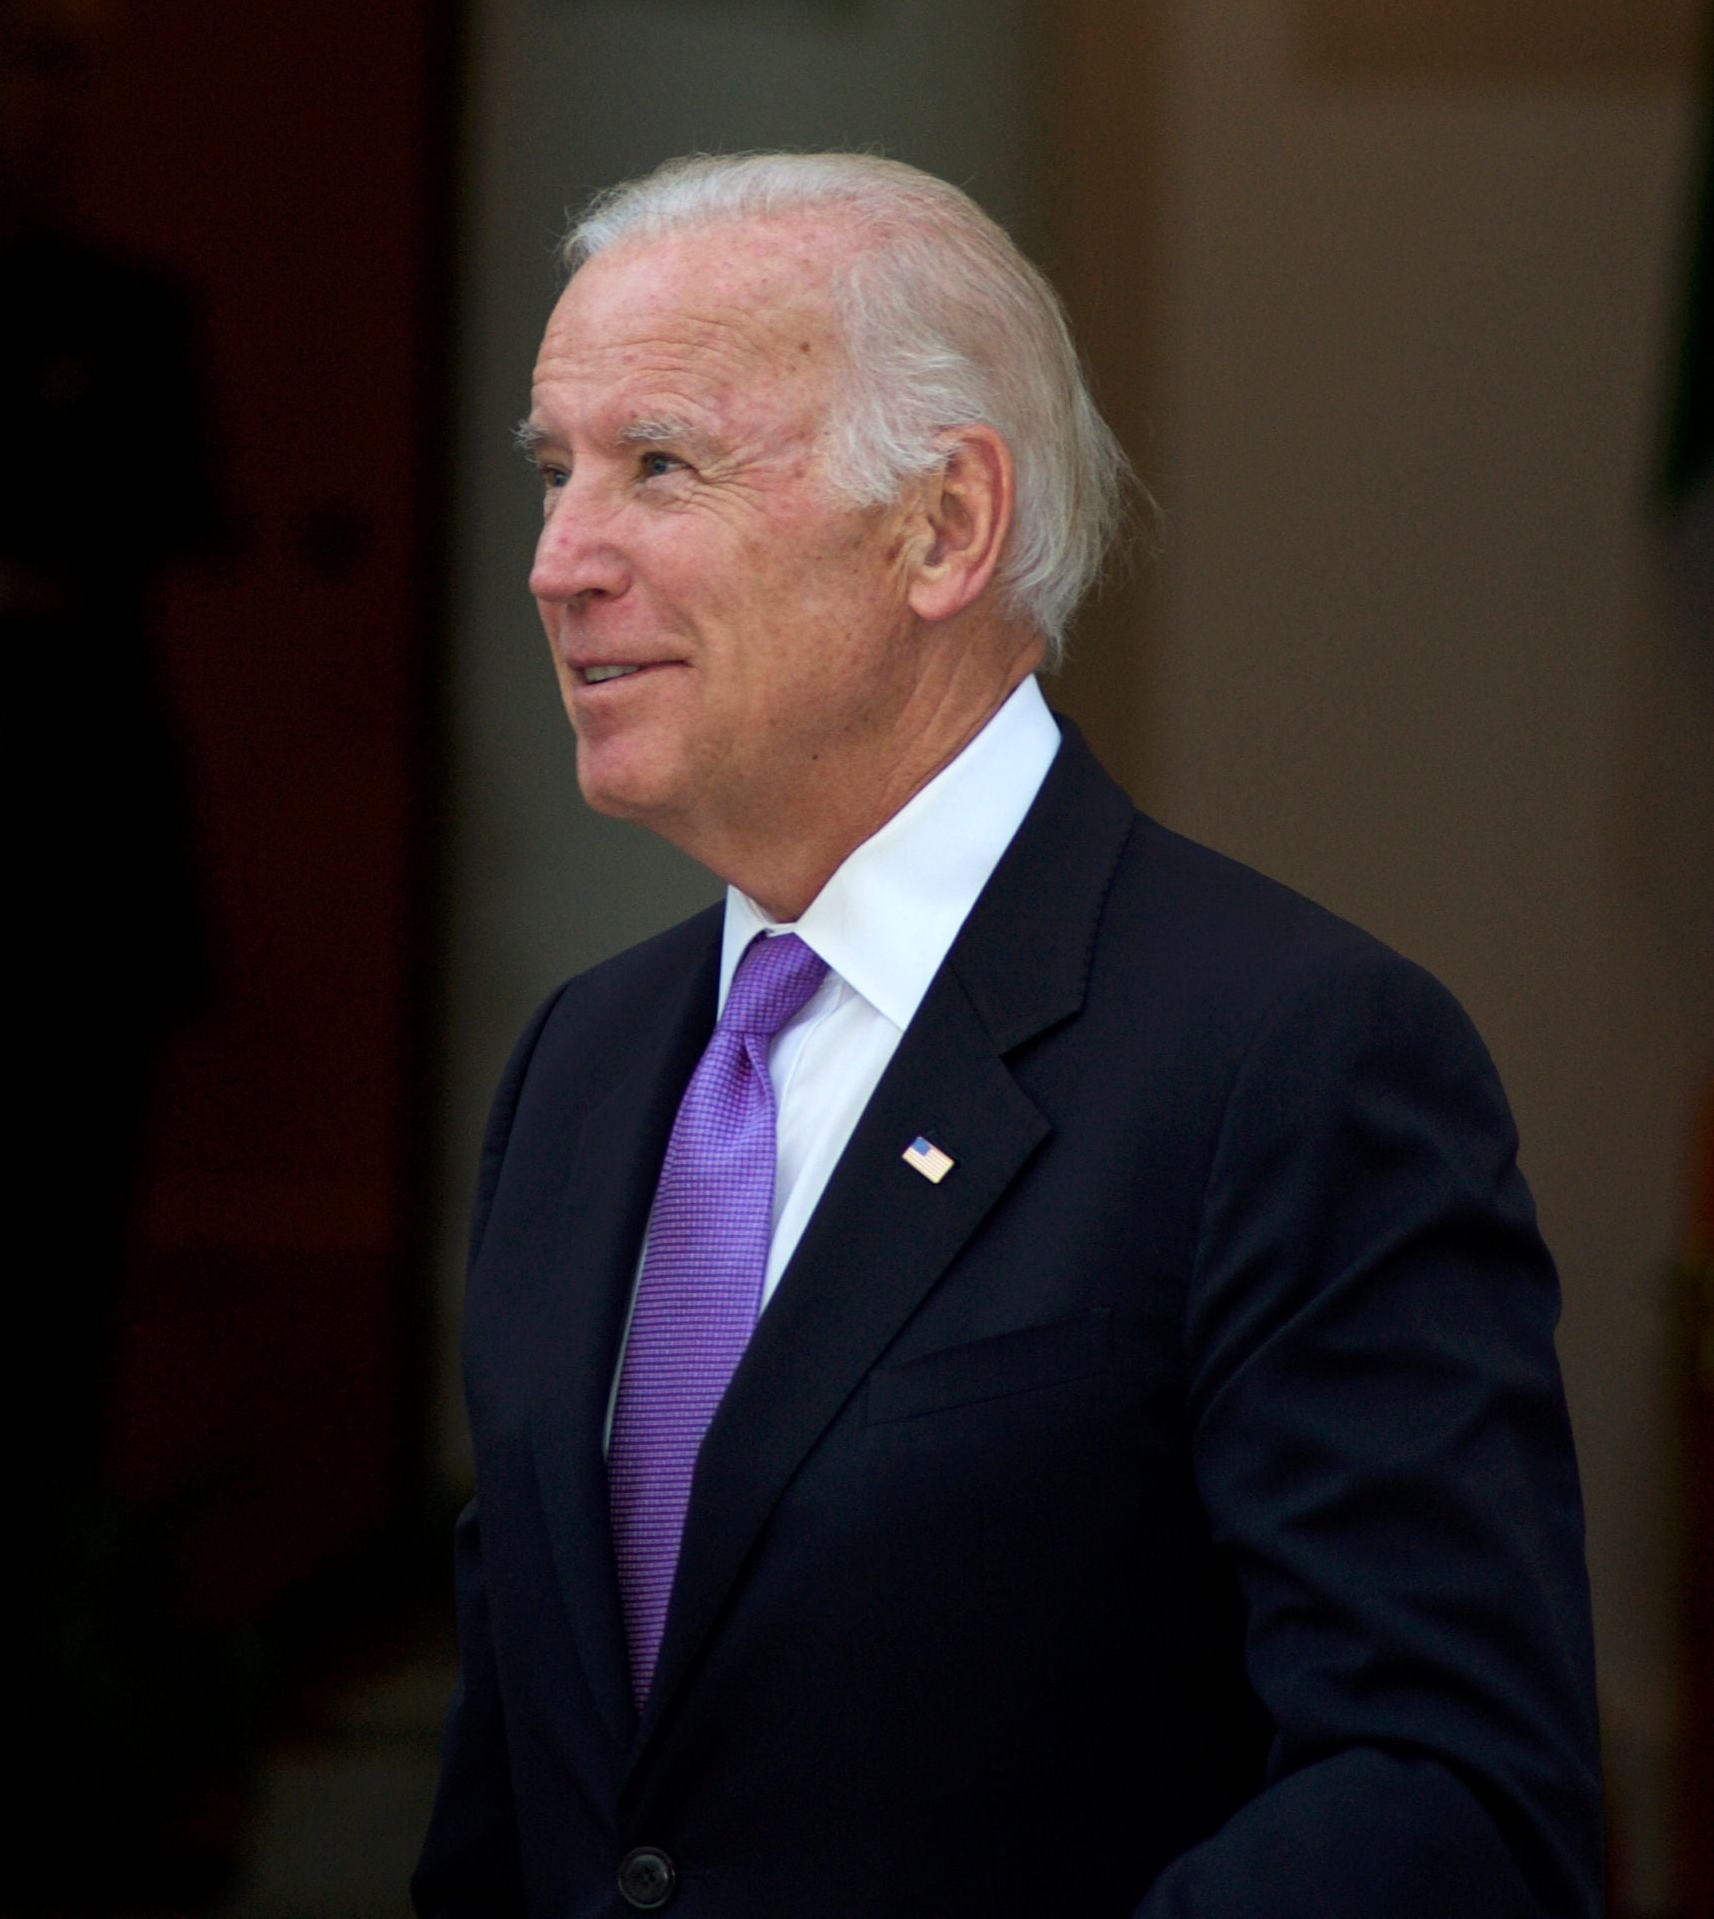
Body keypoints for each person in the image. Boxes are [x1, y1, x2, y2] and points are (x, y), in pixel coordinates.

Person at [412, 155, 1599, 1918]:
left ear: (946, 527)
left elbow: (1447, 1800)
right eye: (554, 472)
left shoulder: (1287, 1058)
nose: (560, 563)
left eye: (659, 463)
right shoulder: (580, 1069)